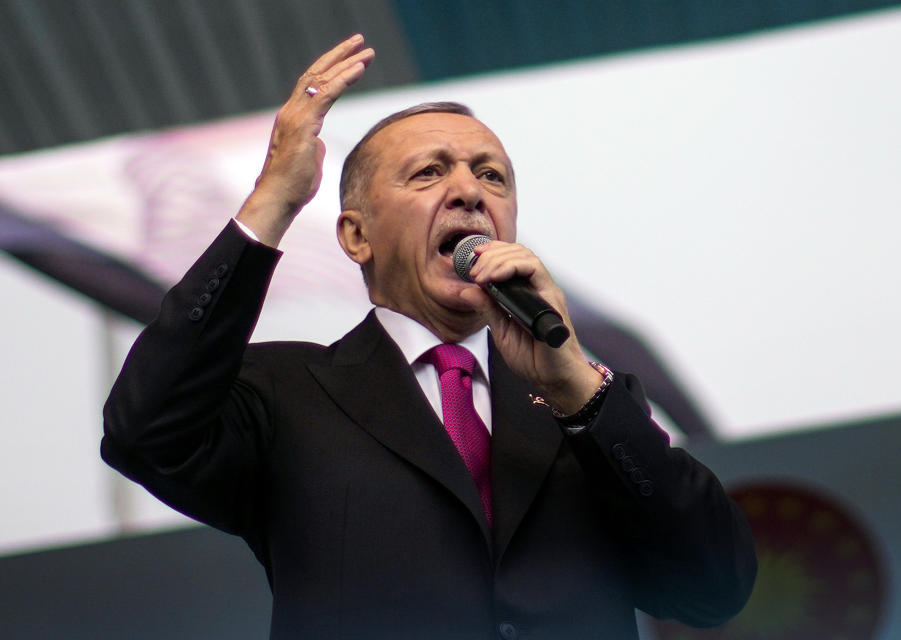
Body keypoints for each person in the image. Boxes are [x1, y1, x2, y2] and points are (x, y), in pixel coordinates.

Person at [102, 35, 756, 640]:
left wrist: (580, 394)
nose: (470, 192)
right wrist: (273, 200)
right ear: (357, 236)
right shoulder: (284, 395)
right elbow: (144, 431)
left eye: (492, 176)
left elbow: (715, 587)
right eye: (428, 173)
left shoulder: (586, 403)